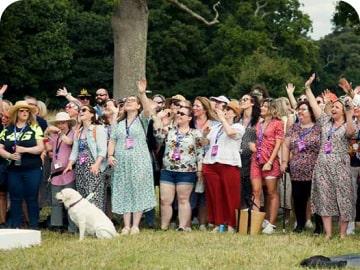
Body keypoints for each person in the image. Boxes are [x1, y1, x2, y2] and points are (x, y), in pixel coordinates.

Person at [305, 74, 356, 239]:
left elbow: (350, 133)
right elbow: (314, 105)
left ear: (343, 111)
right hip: (323, 165)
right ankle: (327, 234)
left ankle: (342, 234)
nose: (333, 109)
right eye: (332, 106)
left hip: (340, 165)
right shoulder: (325, 122)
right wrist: (307, 88)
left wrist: (348, 114)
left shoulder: (349, 123)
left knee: (344, 198)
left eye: (337, 107)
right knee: (325, 198)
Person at [107, 80, 156, 235]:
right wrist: (110, 155)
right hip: (121, 162)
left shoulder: (142, 119)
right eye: (127, 101)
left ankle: (135, 225)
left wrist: (141, 94)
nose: (128, 102)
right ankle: (126, 225)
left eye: (132, 101)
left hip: (139, 160)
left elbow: (148, 109)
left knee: (138, 190)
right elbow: (113, 140)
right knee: (124, 190)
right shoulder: (119, 124)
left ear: (138, 106)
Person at [153, 102, 203, 232]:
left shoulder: (195, 133)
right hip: (168, 170)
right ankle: (164, 226)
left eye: (182, 113)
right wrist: (162, 120)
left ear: (190, 118)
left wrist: (199, 169)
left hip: (187, 171)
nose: (179, 115)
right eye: (178, 112)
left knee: (183, 199)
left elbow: (200, 153)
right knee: (165, 200)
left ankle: (182, 226)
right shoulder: (169, 130)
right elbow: (157, 136)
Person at [0, 101, 44, 229]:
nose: (25, 113)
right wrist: (9, 156)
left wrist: (24, 150)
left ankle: (34, 226)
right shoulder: (7, 130)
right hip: (13, 169)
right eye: (21, 111)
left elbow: (40, 147)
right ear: (16, 113)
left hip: (32, 168)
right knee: (15, 197)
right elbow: (0, 148)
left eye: (27, 111)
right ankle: (16, 226)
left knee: (31, 197)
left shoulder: (35, 127)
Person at [202, 101, 245, 232]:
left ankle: (231, 224)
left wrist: (222, 118)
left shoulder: (239, 127)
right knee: (215, 195)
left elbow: (231, 133)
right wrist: (204, 135)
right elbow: (206, 142)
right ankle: (217, 223)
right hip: (211, 162)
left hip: (229, 163)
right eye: (225, 109)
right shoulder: (216, 128)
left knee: (230, 194)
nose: (225, 111)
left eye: (229, 110)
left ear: (235, 114)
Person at [281, 101, 321, 233]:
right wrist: (284, 162)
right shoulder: (293, 128)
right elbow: (286, 145)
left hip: (315, 169)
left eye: (303, 109)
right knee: (298, 198)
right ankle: (300, 225)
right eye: (299, 109)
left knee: (315, 198)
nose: (300, 112)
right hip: (296, 169)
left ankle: (319, 226)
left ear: (311, 112)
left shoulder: (318, 127)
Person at [63, 105, 108, 211]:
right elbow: (75, 150)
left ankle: (96, 224)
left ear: (92, 114)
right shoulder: (78, 131)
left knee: (94, 196)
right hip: (80, 167)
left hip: (93, 166)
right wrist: (70, 164)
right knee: (82, 196)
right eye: (79, 110)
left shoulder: (98, 128)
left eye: (84, 110)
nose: (80, 112)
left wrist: (97, 165)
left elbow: (102, 150)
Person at [250, 98, 284, 234]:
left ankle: (271, 223)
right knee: (256, 191)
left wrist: (270, 161)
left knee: (271, 193)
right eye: (261, 106)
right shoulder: (259, 123)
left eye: (265, 106)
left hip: (270, 161)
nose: (262, 108)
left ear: (272, 109)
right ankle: (255, 223)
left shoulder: (278, 123)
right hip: (256, 160)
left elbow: (278, 143)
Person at [45, 112, 76, 232]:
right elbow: (49, 147)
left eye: (63, 122)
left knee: (70, 201)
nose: (61, 125)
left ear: (68, 123)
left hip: (68, 172)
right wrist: (49, 133)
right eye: (59, 123)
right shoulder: (55, 135)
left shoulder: (73, 133)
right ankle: (56, 225)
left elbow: (69, 142)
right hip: (55, 173)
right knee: (55, 201)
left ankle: (72, 227)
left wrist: (60, 133)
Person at [238, 94, 260, 208]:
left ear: (252, 103)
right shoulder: (237, 119)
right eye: (241, 99)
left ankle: (250, 214)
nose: (242, 101)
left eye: (245, 99)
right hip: (237, 156)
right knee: (239, 186)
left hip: (251, 157)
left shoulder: (258, 120)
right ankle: (240, 214)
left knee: (249, 186)